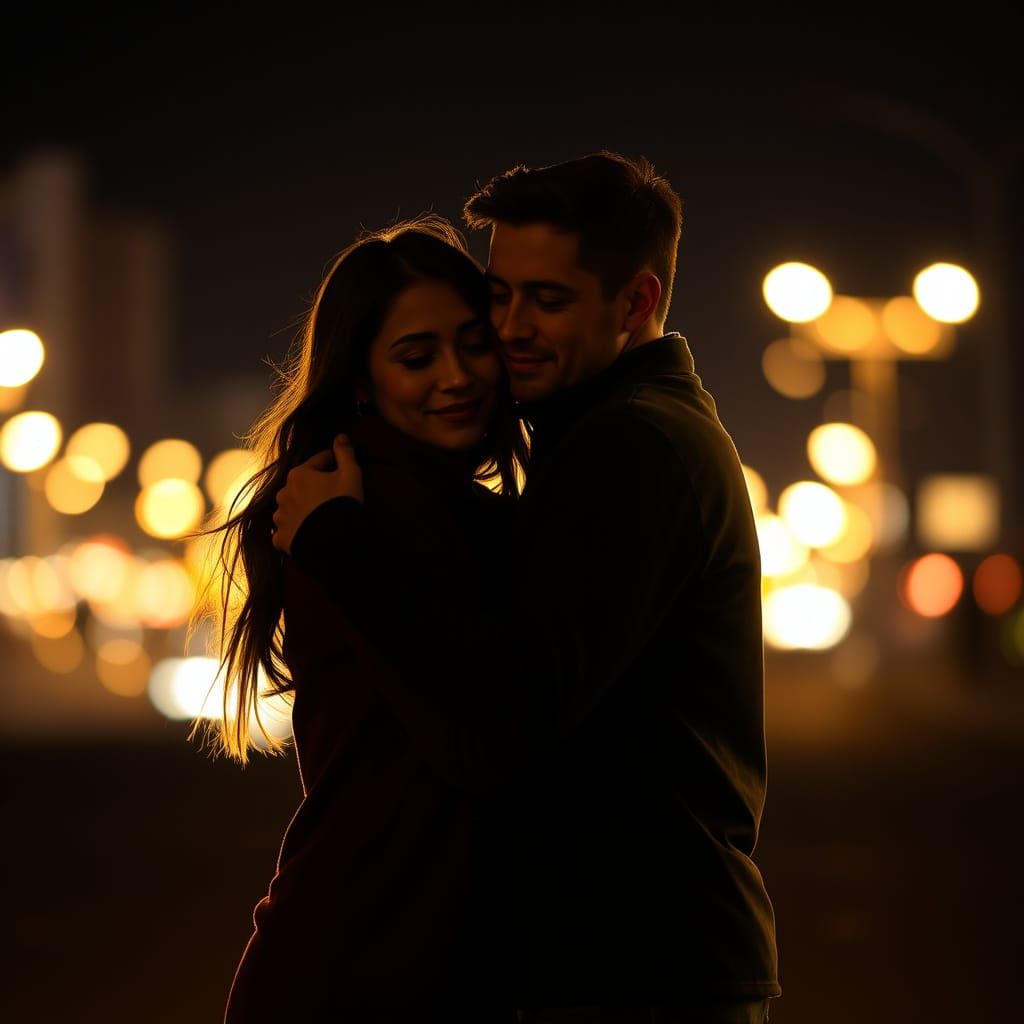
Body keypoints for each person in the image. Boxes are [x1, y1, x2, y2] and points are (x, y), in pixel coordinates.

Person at [273, 151, 781, 1023]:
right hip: (636, 953)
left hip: (638, 963)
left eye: (546, 300)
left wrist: (339, 547)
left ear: (637, 302)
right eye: (499, 295)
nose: (509, 329)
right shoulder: (617, 433)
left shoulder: (632, 445)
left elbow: (509, 715)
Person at [192, 214, 526, 1023]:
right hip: (364, 969)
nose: (457, 376)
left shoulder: (390, 505)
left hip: (360, 953)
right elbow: (486, 736)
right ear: (360, 383)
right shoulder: (377, 512)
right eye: (417, 357)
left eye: (474, 344)